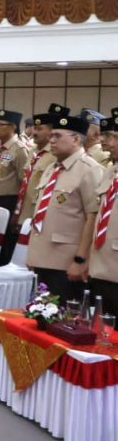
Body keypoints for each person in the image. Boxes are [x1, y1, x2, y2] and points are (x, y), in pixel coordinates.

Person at [26, 114, 104, 303]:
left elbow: (92, 218)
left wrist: (80, 260)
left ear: (76, 140)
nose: (51, 140)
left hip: (66, 261)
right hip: (44, 256)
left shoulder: (89, 169)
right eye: (51, 135)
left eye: (57, 136)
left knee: (65, 315)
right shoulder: (52, 168)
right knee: (42, 313)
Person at [0, 109, 29, 265]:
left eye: (0, 125)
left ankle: (2, 267)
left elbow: (24, 182)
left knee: (5, 243)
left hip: (8, 201)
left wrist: (18, 211)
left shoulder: (19, 149)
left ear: (13, 127)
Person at [88, 115, 118, 315]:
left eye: (115, 137)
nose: (109, 143)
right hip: (101, 264)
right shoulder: (111, 171)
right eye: (108, 136)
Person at [16, 107, 62, 229]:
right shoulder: (32, 152)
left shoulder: (55, 155)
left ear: (51, 132)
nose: (34, 132)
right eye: (35, 128)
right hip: (22, 208)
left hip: (38, 211)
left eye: (39, 129)